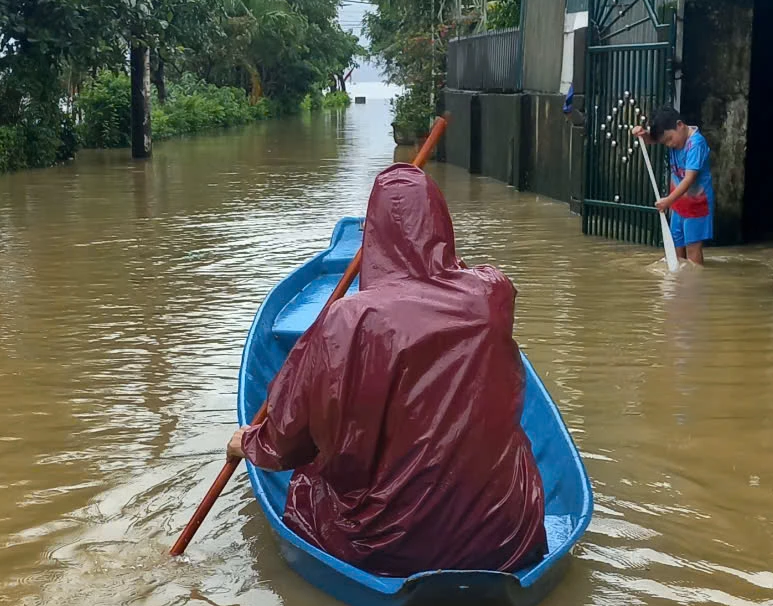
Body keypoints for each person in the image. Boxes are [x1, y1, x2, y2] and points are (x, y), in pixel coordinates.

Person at [227, 164, 546, 578]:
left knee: (312, 480)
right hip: (505, 537)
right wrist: (438, 261)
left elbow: (291, 439)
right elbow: (460, 273)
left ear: (373, 234)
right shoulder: (491, 293)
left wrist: (249, 442)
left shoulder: (346, 319)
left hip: (387, 548)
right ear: (442, 224)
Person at [636, 105, 713, 265]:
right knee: (676, 242)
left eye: (670, 139)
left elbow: (689, 179)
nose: (669, 144)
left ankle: (693, 283)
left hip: (697, 204)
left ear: (680, 125)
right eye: (665, 142)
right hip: (678, 204)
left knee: (692, 246)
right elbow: (653, 139)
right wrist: (643, 134)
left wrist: (668, 201)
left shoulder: (696, 143)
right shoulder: (676, 139)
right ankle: (679, 282)